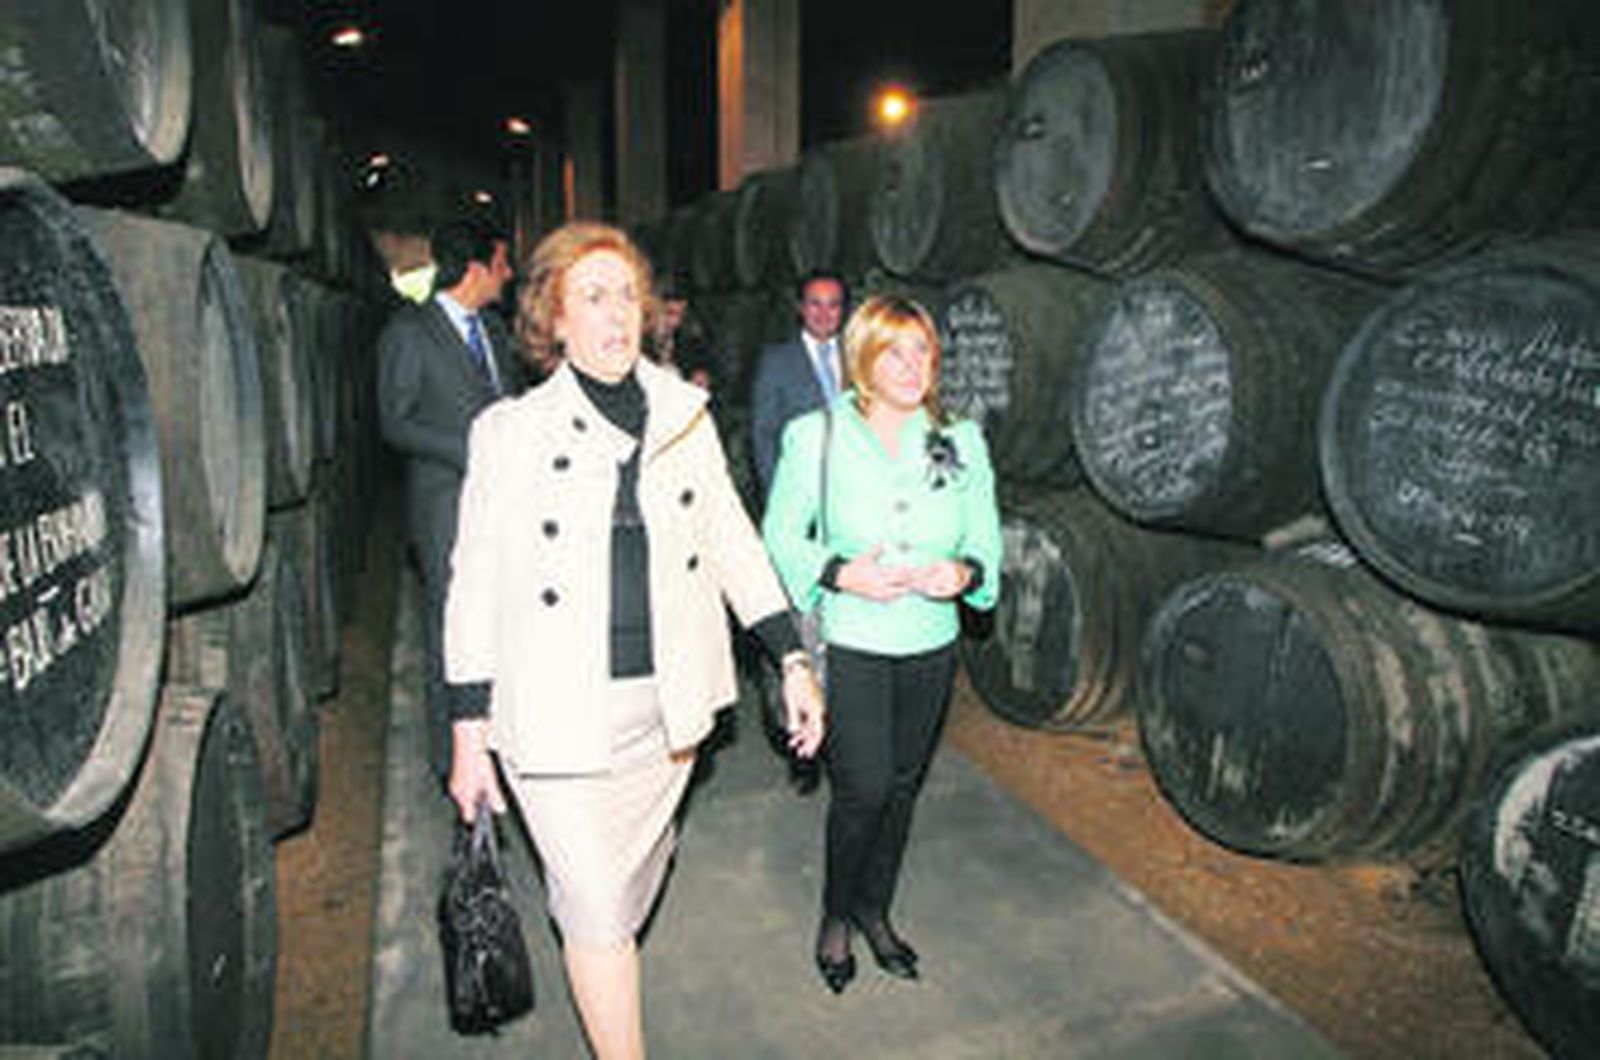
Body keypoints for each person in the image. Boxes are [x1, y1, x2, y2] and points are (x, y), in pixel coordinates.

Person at [443, 221, 825, 1059]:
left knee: (632, 884)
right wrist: (469, 733)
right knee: (597, 910)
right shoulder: (508, 433)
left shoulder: (684, 417)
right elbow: (474, 584)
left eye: (625, 293)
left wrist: (791, 655)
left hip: (667, 710)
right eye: (591, 296)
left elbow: (733, 542)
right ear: (554, 320)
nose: (614, 312)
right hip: (553, 719)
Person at [761, 294, 1002, 995]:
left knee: (901, 787)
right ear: (864, 357)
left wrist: (964, 573)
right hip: (853, 638)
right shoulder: (818, 434)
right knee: (862, 788)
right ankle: (836, 916)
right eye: (894, 350)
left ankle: (875, 909)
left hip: (931, 640)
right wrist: (841, 572)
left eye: (922, 350)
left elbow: (983, 534)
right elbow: (780, 534)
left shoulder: (961, 436)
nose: (911, 365)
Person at [377, 217, 525, 783]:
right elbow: (396, 421)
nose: (508, 276)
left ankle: (501, 746)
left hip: (504, 504)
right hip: (446, 506)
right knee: (452, 635)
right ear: (477, 268)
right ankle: (453, 767)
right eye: (503, 264)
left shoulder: (493, 328)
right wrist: (472, 449)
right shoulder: (408, 332)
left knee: (503, 625)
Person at [749, 269, 847, 502]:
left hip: (852, 492)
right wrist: (778, 496)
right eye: (815, 304)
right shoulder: (777, 361)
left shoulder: (857, 356)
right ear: (801, 308)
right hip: (801, 491)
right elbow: (764, 435)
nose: (824, 314)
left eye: (833, 305)